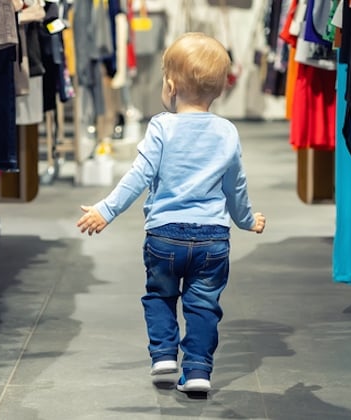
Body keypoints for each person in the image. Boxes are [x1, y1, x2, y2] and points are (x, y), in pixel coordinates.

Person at [76, 32, 266, 394]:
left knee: (160, 295)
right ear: (221, 89)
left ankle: (163, 353)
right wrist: (247, 220)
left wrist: (106, 210)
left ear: (170, 84)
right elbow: (235, 187)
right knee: (204, 305)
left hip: (164, 236)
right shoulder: (227, 131)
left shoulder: (161, 126)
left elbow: (139, 176)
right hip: (213, 240)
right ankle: (197, 370)